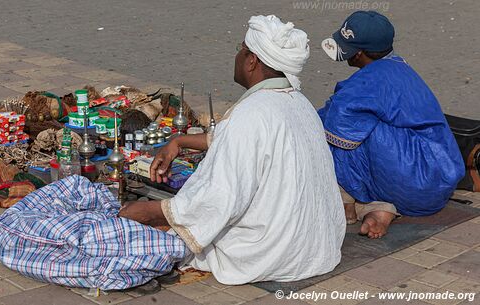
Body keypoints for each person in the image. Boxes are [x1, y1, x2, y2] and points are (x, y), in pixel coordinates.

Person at [119, 15, 345, 284]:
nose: (237, 56)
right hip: (317, 248)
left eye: (241, 49)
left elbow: (220, 198)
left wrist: (153, 211)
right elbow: (233, 138)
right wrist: (177, 142)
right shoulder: (298, 102)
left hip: (276, 254)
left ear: (252, 61)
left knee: (176, 230)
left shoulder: (252, 113)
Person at [318, 11, 465, 239]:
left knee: (332, 127)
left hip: (415, 183)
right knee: (353, 119)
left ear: (358, 54)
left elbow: (334, 123)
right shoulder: (399, 66)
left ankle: (346, 201)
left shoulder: (369, 80)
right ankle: (380, 208)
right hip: (439, 184)